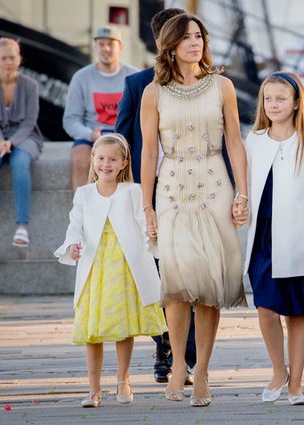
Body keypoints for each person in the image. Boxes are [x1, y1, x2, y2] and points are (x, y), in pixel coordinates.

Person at [139, 13, 248, 407]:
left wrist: (242, 195)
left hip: (215, 186)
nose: (195, 43)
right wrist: (147, 207)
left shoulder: (222, 86)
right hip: (171, 191)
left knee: (207, 287)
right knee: (176, 287)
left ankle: (201, 369)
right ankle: (178, 368)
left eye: (199, 36)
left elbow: (235, 142)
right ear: (169, 45)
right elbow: (149, 151)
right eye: (186, 38)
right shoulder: (154, 92)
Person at [243, 71, 304, 406]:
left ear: (297, 103)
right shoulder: (254, 139)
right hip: (263, 238)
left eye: (281, 98)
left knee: (296, 313)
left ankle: (296, 384)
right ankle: (277, 370)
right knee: (265, 307)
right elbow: (242, 184)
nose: (273, 104)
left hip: (300, 241)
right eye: (268, 98)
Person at [54, 133, 167, 407]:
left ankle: (123, 380)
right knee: (93, 327)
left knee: (122, 325)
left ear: (123, 162)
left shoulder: (133, 191)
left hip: (125, 266)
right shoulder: (84, 194)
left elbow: (144, 223)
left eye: (112, 159)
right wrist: (73, 246)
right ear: (92, 160)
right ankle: (93, 389)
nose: (106, 164)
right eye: (101, 158)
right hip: (96, 267)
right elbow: (75, 225)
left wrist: (153, 235)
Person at [114, 6, 195, 386]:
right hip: (152, 189)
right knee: (159, 274)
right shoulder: (137, 85)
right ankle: (165, 350)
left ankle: (186, 357)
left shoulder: (206, 83)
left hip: (195, 191)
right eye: (175, 36)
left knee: (192, 273)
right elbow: (123, 140)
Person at [0, 37, 43, 247]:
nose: (8, 62)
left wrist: (11, 142)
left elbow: (30, 121)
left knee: (20, 163)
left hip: (25, 135)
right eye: (3, 58)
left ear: (19, 59)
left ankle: (22, 227)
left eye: (12, 57)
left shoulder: (30, 85)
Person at [63, 26, 139, 190]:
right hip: (92, 135)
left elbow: (142, 115)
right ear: (95, 46)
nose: (106, 49)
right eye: (101, 44)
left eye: (110, 44)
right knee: (80, 159)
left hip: (123, 134)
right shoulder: (81, 77)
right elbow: (70, 120)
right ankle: (82, 211)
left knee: (137, 158)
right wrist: (90, 135)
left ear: (120, 47)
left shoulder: (134, 76)